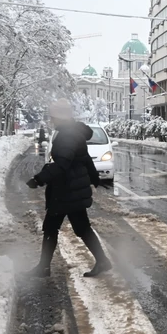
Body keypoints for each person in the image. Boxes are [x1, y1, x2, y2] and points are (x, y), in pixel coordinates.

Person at [25, 99, 111, 278]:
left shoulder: (67, 136)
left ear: (60, 117)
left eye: (53, 117)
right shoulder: (73, 132)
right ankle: (101, 261)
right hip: (71, 189)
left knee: (53, 228)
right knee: (79, 228)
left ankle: (44, 267)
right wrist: (94, 178)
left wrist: (39, 179)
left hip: (66, 190)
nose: (51, 120)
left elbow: (61, 164)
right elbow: (85, 158)